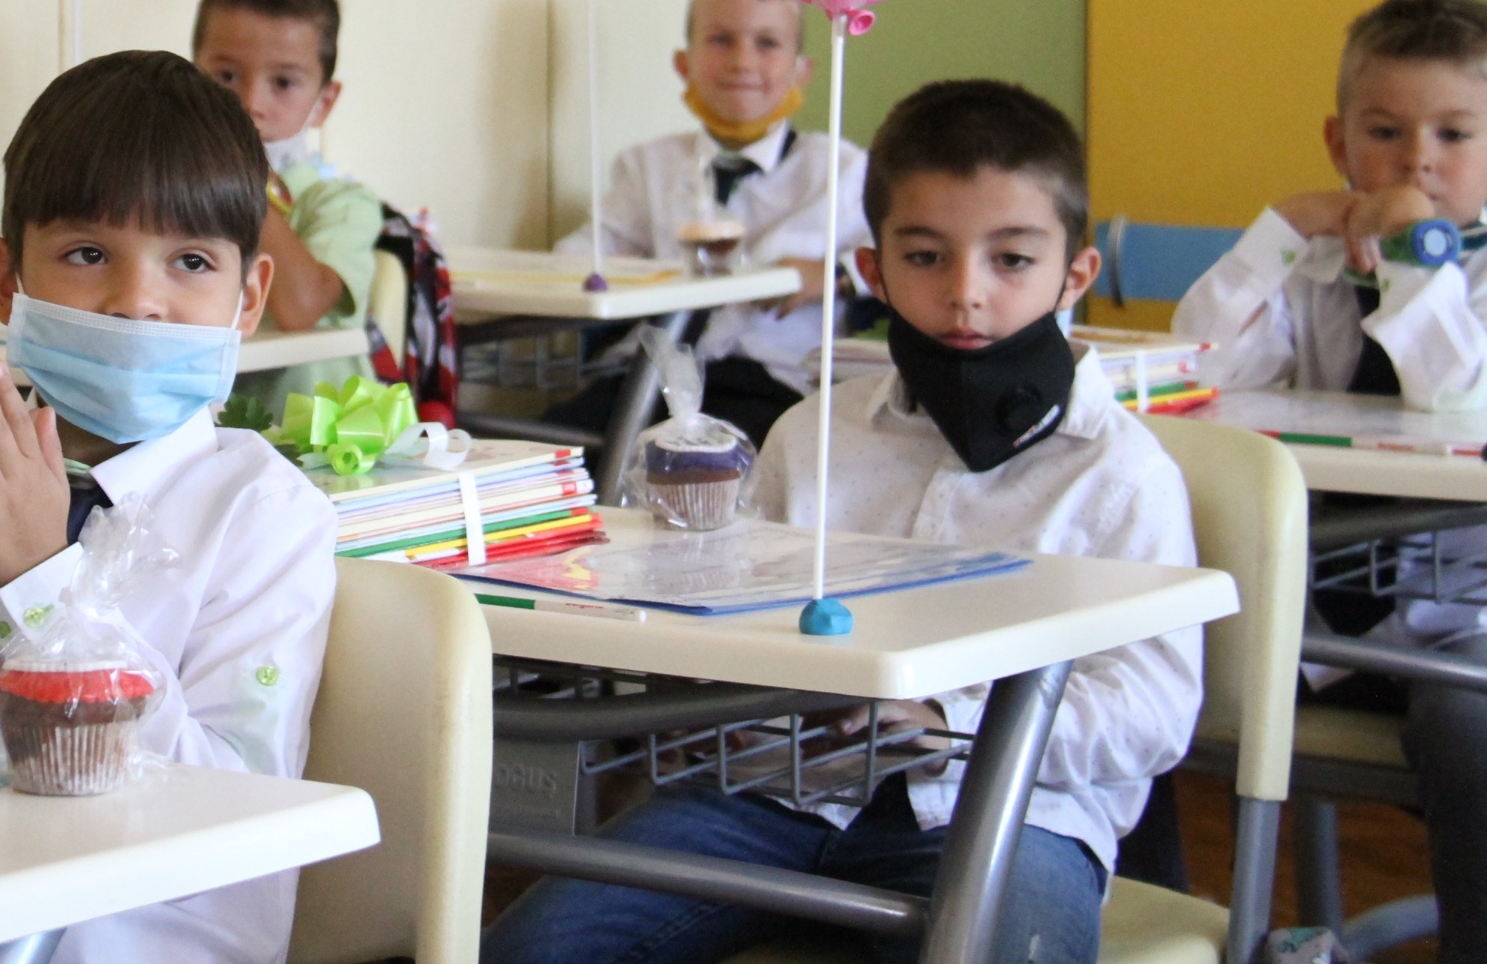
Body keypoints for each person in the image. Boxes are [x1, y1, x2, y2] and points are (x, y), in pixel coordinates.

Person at [489, 80, 1200, 964]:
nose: (966, 293)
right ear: (872, 270)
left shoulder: (1121, 475)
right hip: (771, 798)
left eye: (1012, 260)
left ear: (1076, 274)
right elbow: (734, 615)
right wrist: (703, 679)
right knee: (532, 949)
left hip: (1010, 814)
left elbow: (1155, 708)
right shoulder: (813, 434)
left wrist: (944, 720)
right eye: (926, 256)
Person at [0, 50, 339, 964]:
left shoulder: (264, 519)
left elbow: (225, 811)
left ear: (248, 300)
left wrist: (40, 586)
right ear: (8, 280)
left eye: (191, 262)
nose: (137, 302)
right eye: (87, 254)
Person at [1175, 0, 1487, 964]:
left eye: (1453, 134)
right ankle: (1175, 925)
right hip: (1312, 624)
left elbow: (1456, 399)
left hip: (1463, 630)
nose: (1417, 161)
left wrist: (1413, 257)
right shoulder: (1310, 272)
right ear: (1339, 143)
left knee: (1472, 738)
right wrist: (1275, 234)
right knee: (1130, 675)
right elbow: (1200, 373)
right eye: (1385, 133)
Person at [557, 0, 871, 448]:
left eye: (767, 43)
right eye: (721, 40)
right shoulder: (648, 166)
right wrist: (606, 270)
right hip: (644, 379)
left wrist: (833, 275)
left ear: (801, 71)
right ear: (684, 64)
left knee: (718, 468)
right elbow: (582, 255)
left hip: (771, 385)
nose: (742, 62)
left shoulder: (841, 170)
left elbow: (896, 266)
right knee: (550, 456)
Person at [191, 0, 386, 425]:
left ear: (324, 102)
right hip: (209, 434)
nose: (249, 102)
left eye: (282, 82)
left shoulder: (341, 203)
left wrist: (240, 175)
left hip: (323, 443)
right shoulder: (174, 193)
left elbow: (301, 307)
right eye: (226, 76)